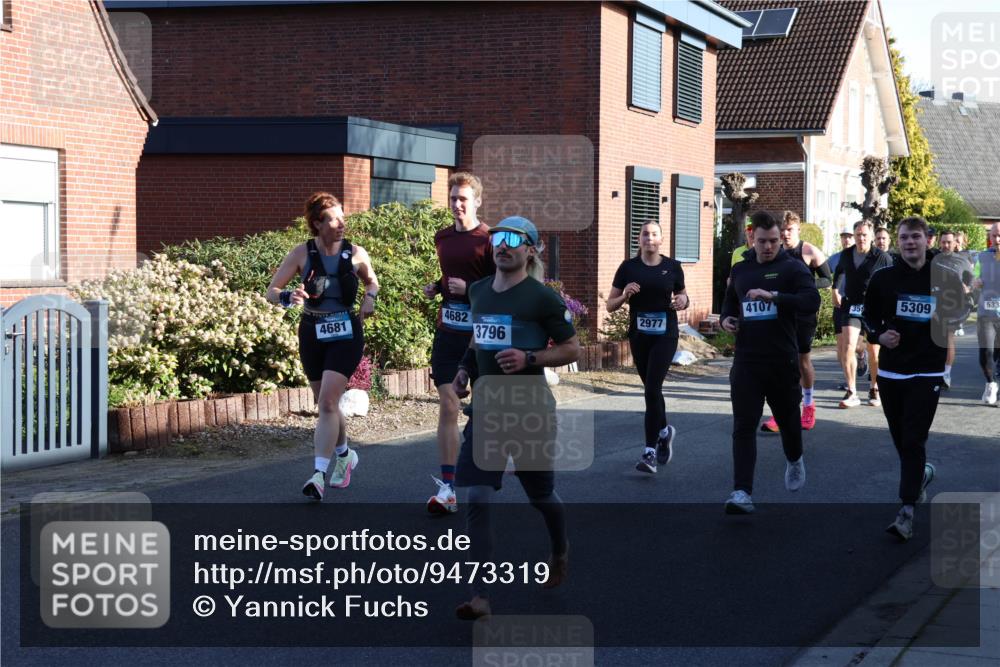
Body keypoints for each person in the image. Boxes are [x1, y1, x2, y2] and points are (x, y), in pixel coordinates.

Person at [451, 216, 580, 619]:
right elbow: (477, 339)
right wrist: (463, 371)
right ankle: (480, 596)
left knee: (541, 497)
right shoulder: (478, 291)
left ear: (531, 249)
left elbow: (572, 348)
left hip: (530, 411)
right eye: (496, 238)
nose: (501, 245)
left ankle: (559, 549)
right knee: (476, 496)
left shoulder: (541, 298)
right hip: (487, 411)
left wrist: (530, 357)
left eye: (512, 240)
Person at [267, 192, 378, 501]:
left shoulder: (356, 253)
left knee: (329, 402)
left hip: (346, 332)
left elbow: (372, 282)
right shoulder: (301, 253)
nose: (341, 223)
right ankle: (345, 453)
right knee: (325, 402)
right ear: (317, 224)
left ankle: (318, 473)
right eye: (333, 218)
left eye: (343, 216)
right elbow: (271, 292)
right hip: (312, 331)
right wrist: (288, 296)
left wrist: (370, 299)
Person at [863, 216, 968, 540]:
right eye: (905, 237)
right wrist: (880, 337)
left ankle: (906, 510)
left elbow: (962, 311)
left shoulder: (945, 277)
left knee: (913, 438)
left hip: (928, 368)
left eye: (916, 237)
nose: (910, 242)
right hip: (893, 369)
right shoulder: (883, 278)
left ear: (928, 240)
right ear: (898, 241)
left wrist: (944, 319)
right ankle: (919, 474)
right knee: (900, 437)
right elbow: (867, 316)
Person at [720, 211, 820, 514]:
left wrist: (775, 296)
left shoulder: (792, 268)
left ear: (780, 239)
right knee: (743, 426)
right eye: (762, 241)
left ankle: (794, 459)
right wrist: (726, 319)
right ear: (752, 237)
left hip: (782, 360)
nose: (768, 247)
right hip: (748, 360)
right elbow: (729, 301)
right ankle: (741, 492)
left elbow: (811, 300)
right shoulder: (741, 269)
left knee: (789, 423)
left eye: (773, 241)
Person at [421, 172, 495, 514]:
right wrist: (437, 287)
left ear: (477, 201)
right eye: (453, 198)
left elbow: (501, 285)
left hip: (481, 337)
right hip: (449, 332)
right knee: (449, 406)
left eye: (463, 198)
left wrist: (471, 291)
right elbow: (449, 273)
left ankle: (484, 476)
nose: (457, 204)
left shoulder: (490, 240)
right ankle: (448, 488)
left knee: (484, 411)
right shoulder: (442, 238)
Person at [606, 221, 689, 473]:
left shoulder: (672, 267)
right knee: (651, 390)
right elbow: (610, 305)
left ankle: (649, 452)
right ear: (638, 239)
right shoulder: (628, 267)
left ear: (661, 239)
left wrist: (683, 301)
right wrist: (625, 295)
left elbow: (684, 297)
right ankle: (664, 431)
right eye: (645, 234)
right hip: (640, 336)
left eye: (654, 234)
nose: (649, 238)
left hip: (666, 335)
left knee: (652, 388)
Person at [760, 211, 832, 432]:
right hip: (780, 311)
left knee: (801, 361)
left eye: (789, 230)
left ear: (798, 230)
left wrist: (806, 284)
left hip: (803, 313)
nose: (785, 234)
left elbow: (827, 279)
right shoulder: (775, 253)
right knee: (781, 362)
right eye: (782, 231)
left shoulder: (808, 251)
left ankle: (808, 406)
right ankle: (780, 413)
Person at [832, 220, 892, 408]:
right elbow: (840, 271)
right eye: (858, 234)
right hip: (851, 305)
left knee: (874, 352)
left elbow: (892, 280)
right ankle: (852, 392)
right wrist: (835, 289)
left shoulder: (881, 257)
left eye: (864, 235)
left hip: (874, 307)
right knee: (848, 346)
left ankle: (875, 387)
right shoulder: (847, 254)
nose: (861, 238)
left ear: (871, 236)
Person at [936, 230, 975, 388]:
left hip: (954, 306)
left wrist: (969, 288)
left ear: (955, 244)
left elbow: (972, 282)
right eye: (943, 242)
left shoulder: (962, 261)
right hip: (936, 303)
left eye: (949, 242)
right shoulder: (933, 259)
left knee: (948, 336)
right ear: (940, 242)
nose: (946, 245)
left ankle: (946, 373)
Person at [973, 222, 1000, 405]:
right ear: (989, 237)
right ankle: (991, 384)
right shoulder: (982, 257)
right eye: (994, 236)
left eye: (999, 235)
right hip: (986, 314)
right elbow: (974, 277)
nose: (997, 240)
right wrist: (976, 282)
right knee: (986, 354)